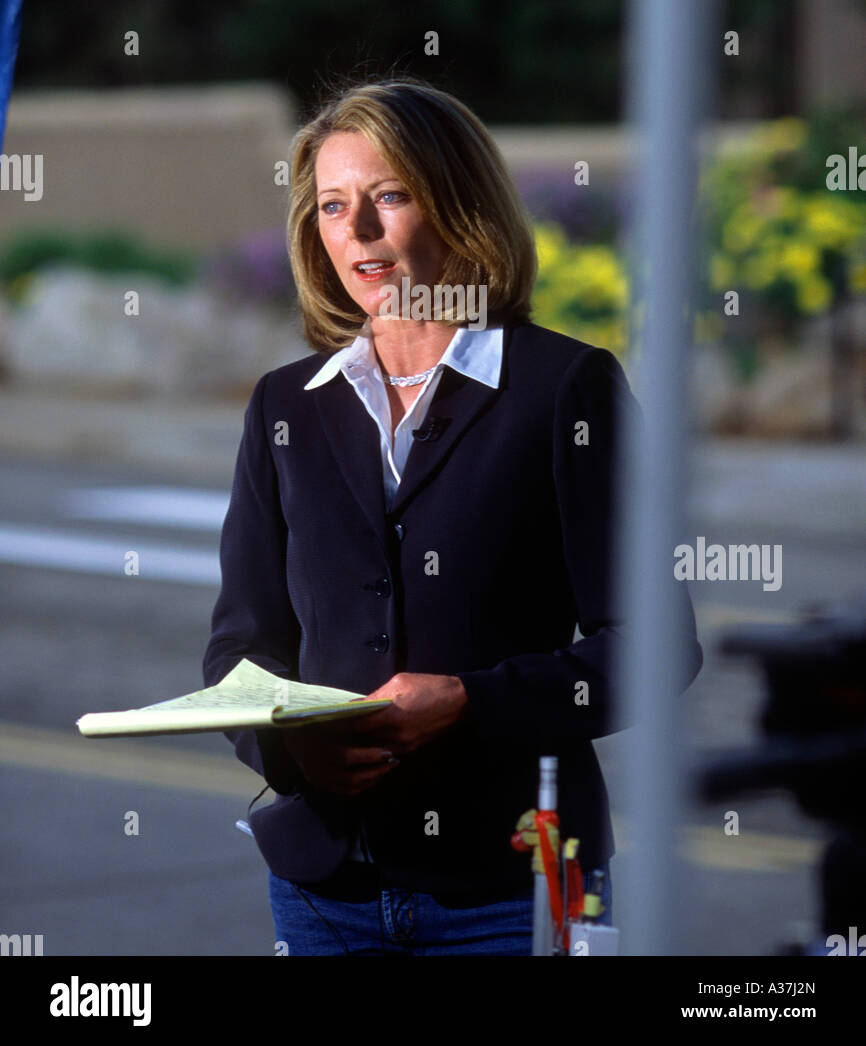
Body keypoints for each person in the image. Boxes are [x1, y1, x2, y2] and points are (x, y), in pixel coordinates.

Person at [203, 75, 703, 956]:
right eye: (331, 206)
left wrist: (469, 702)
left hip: (513, 891)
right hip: (324, 894)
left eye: (388, 196)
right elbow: (240, 651)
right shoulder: (284, 405)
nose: (355, 231)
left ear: (458, 204)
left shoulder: (563, 390)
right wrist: (289, 753)